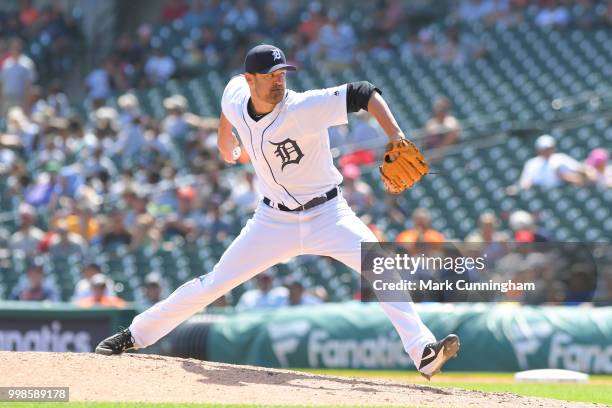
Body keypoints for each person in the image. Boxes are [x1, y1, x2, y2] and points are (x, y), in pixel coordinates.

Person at [96, 44, 459, 380]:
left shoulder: (303, 107)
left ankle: (423, 353)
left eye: (283, 74)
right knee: (214, 283)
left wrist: (395, 135)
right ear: (251, 80)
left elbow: (364, 92)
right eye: (272, 75)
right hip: (273, 221)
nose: (279, 81)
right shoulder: (237, 94)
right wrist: (227, 138)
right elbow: (229, 102)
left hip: (329, 214)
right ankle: (135, 334)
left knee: (379, 265)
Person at [519, 134, 584, 189]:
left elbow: (581, 171)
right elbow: (525, 182)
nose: (546, 151)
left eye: (549, 148)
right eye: (543, 149)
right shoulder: (531, 163)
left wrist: (564, 176)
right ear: (538, 149)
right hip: (539, 193)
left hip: (560, 191)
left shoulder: (561, 158)